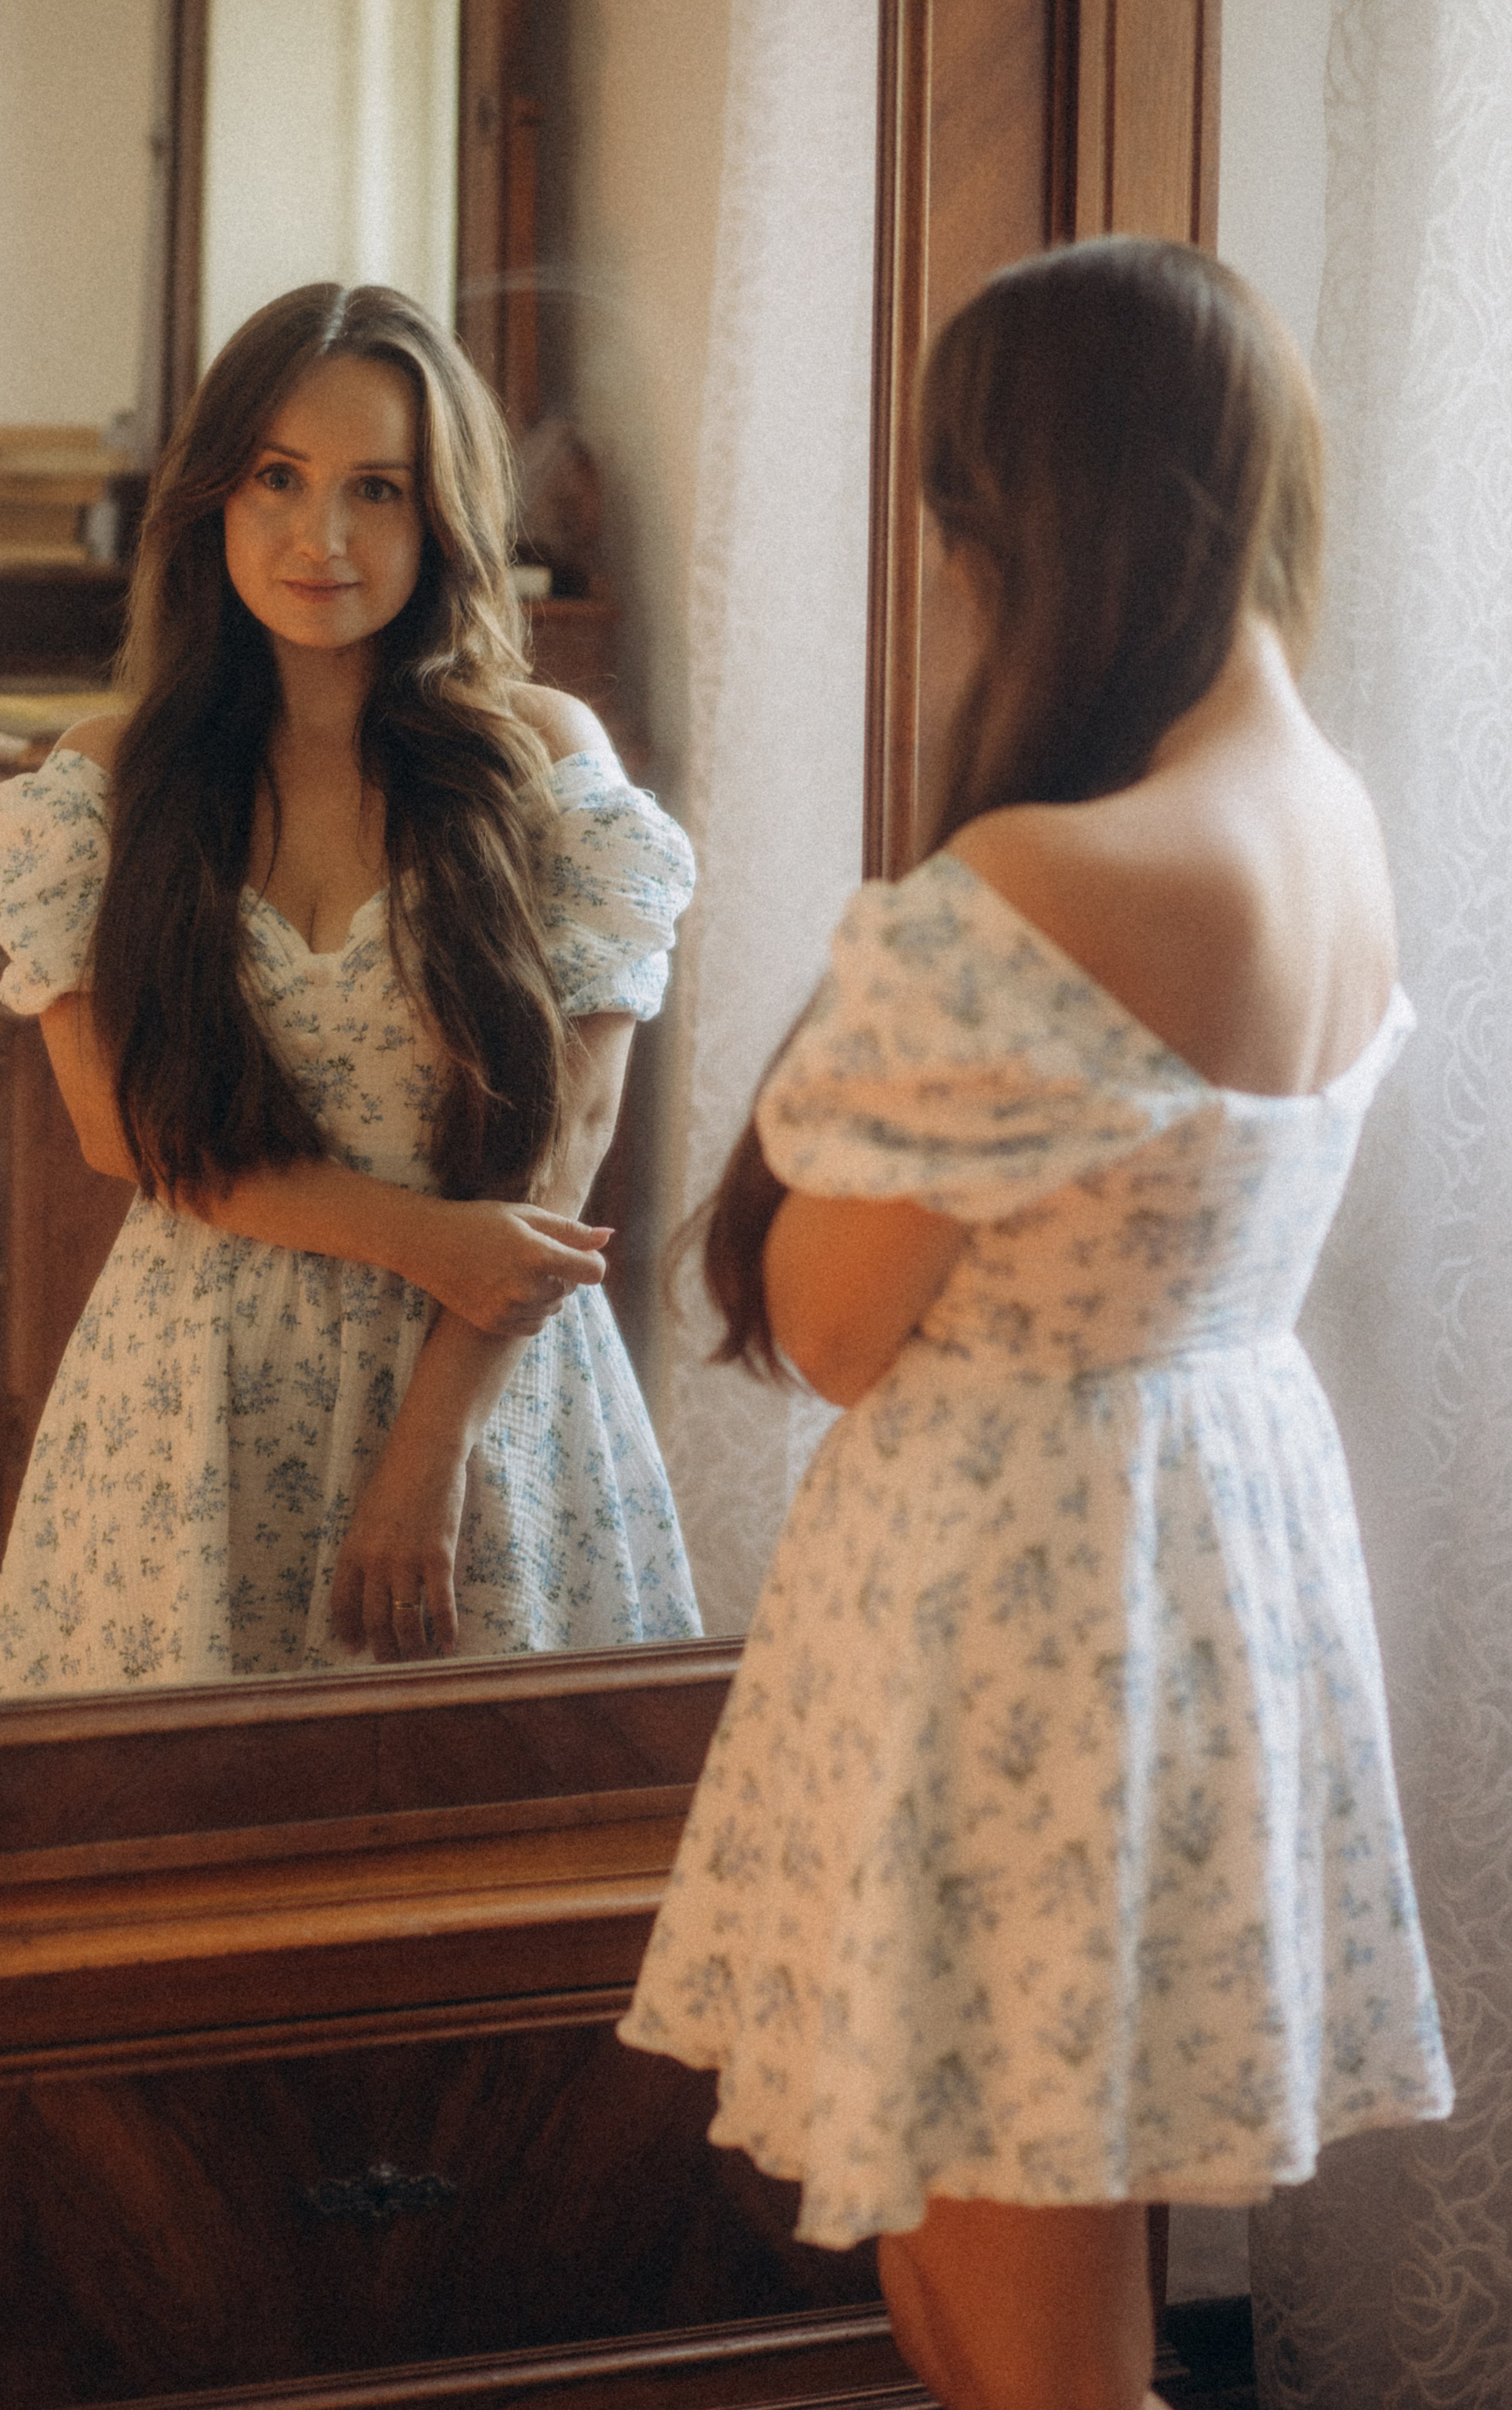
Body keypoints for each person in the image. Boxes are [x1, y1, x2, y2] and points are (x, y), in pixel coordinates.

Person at [619, 238, 1452, 2410]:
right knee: (1047, 2260)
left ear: (1032, 518)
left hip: (1016, 1591)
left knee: (1013, 2314)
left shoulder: (1044, 888)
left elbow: (827, 1328)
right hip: (1214, 1540)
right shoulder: (1334, 826)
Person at [0, 282, 700, 1694]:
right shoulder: (103, 783)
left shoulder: (543, 758)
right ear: (212, 501)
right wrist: (426, 1241)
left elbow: (575, 1125)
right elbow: (122, 1132)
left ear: (440, 519)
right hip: (191, 1404)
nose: (322, 538)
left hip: (488, 1376)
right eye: (278, 481)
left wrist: (428, 1451)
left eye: (378, 489)